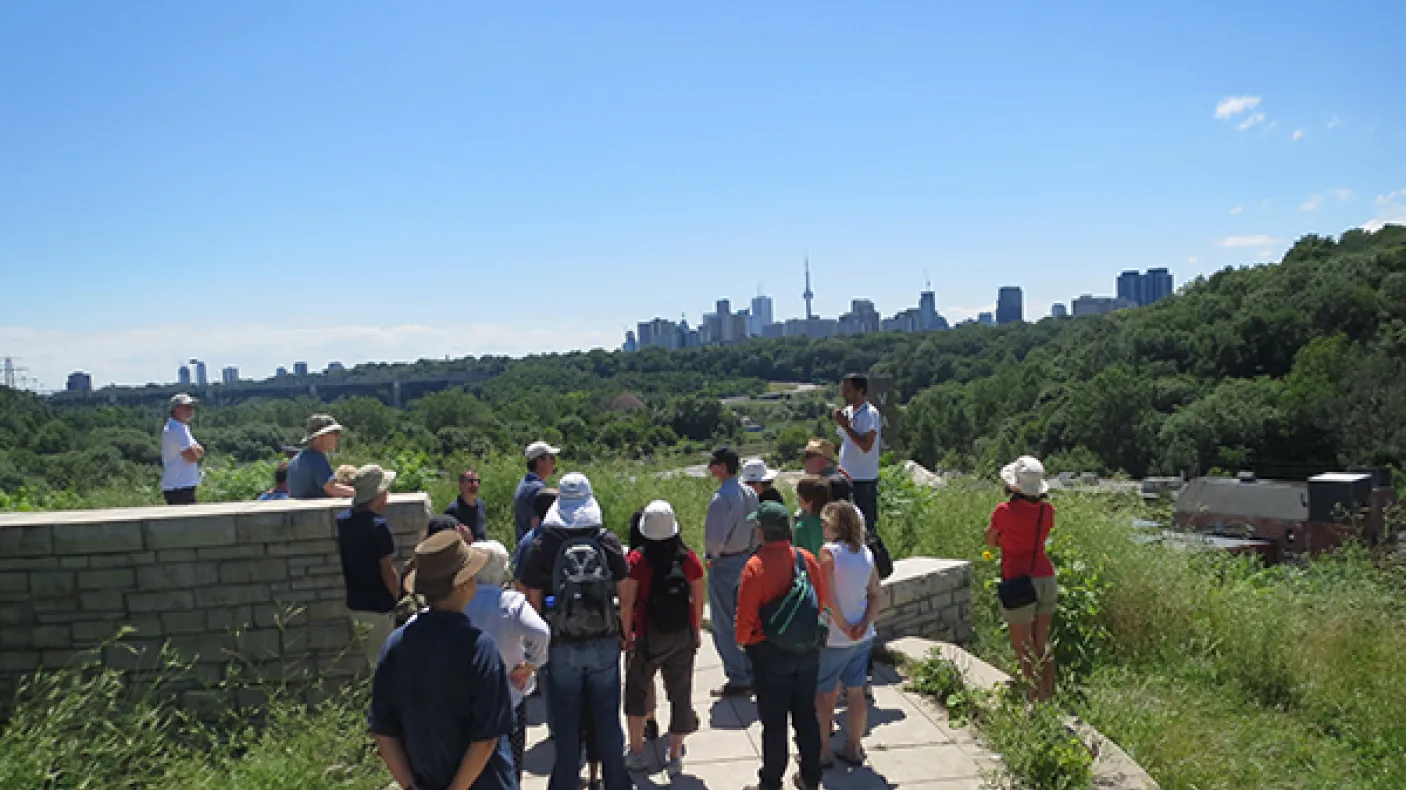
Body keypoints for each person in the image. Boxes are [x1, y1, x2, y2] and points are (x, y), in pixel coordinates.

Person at [369, 532, 516, 790]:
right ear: (462, 585)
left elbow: (383, 731)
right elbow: (486, 739)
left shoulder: (395, 646)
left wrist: (411, 786)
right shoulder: (480, 649)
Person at [518, 473, 631, 790]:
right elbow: (625, 592)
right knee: (608, 718)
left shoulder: (545, 543)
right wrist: (625, 630)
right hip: (604, 639)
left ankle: (565, 783)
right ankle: (617, 782)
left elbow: (532, 594)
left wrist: (541, 637)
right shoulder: (606, 540)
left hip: (561, 644)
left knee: (566, 724)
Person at [737, 501, 832, 790]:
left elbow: (745, 620)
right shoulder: (804, 559)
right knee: (806, 717)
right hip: (807, 650)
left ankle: (771, 782)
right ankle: (811, 778)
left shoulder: (754, 567)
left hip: (770, 654)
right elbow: (821, 601)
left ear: (762, 531)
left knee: (774, 723)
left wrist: (745, 643)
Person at [621, 501, 704, 778]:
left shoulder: (637, 560)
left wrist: (626, 634)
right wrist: (696, 631)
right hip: (682, 634)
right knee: (680, 694)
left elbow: (627, 602)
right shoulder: (687, 557)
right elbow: (698, 597)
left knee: (637, 691)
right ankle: (675, 755)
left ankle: (636, 753)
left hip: (647, 635)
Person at [464, 540, 551, 787]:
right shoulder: (510, 602)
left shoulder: (461, 599)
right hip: (510, 691)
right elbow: (542, 632)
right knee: (511, 761)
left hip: (469, 696)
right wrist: (532, 665)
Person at [985, 455, 1058, 702]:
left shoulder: (1004, 511)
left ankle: (1032, 699)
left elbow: (991, 541)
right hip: (1046, 576)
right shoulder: (1048, 511)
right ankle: (1048, 694)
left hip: (1018, 580)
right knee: (1042, 641)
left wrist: (1006, 541)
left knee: (1023, 647)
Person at [815, 502, 881, 768]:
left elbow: (828, 595)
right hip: (863, 636)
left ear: (836, 526)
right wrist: (864, 623)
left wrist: (841, 625)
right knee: (856, 692)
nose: (822, 528)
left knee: (824, 693)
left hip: (835, 636)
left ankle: (822, 750)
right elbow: (876, 593)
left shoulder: (828, 553)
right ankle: (854, 746)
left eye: (825, 523)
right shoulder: (866, 553)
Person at [702, 446, 759, 698]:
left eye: (714, 463)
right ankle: (751, 669)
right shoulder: (749, 492)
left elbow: (714, 539)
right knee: (747, 616)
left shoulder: (721, 499)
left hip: (725, 563)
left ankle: (738, 677)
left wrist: (711, 557)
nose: (711, 468)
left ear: (723, 467)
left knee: (724, 623)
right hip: (746, 557)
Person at [336, 464, 401, 665]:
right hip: (379, 606)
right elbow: (386, 569)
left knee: (370, 660)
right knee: (384, 663)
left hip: (355, 602)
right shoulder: (378, 526)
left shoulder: (343, 521)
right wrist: (398, 596)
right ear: (378, 494)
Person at [833, 373, 881, 535]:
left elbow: (866, 445)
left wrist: (846, 426)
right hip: (846, 476)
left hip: (863, 478)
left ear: (860, 391)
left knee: (865, 527)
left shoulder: (869, 414)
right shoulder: (848, 412)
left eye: (848, 390)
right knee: (845, 524)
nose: (843, 394)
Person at [287, 414, 356, 499]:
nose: (338, 437)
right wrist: (361, 493)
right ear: (319, 436)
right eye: (334, 433)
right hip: (316, 511)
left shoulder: (294, 460)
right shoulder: (316, 458)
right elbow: (331, 488)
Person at [160, 393, 204, 505]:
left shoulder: (182, 428)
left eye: (192, 407)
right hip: (179, 487)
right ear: (176, 409)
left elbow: (200, 450)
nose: (191, 411)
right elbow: (192, 456)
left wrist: (196, 451)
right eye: (187, 407)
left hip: (181, 485)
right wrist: (196, 451)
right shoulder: (177, 429)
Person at [515, 441, 560, 543]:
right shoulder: (536, 489)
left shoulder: (526, 483)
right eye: (551, 458)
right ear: (539, 461)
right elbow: (535, 525)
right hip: (532, 550)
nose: (554, 462)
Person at [792, 475, 831, 557]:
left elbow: (799, 557)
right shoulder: (834, 522)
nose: (797, 498)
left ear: (810, 501)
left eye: (799, 495)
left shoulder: (802, 527)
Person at [446, 468, 488, 542]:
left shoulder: (481, 505)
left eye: (478, 481)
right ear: (461, 485)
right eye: (471, 481)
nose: (476, 484)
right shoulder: (453, 510)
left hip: (483, 549)